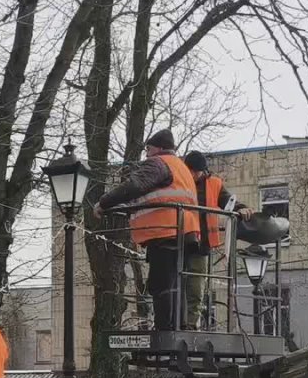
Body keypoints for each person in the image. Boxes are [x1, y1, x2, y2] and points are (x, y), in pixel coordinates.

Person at [95, 128, 200, 331]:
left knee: (161, 283)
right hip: (185, 232)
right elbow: (154, 196)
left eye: (148, 149)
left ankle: (165, 328)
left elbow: (134, 185)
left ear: (158, 148)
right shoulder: (181, 167)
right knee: (176, 281)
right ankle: (179, 325)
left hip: (165, 230)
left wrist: (104, 203)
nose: (147, 154)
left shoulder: (158, 163)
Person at [182, 151, 248, 330]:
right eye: (191, 171)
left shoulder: (214, 184)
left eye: (197, 171)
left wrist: (241, 208)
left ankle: (190, 324)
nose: (194, 175)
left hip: (201, 245)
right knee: (176, 284)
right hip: (179, 242)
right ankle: (176, 321)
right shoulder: (180, 181)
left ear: (203, 170)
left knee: (196, 287)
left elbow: (227, 201)